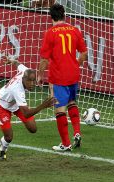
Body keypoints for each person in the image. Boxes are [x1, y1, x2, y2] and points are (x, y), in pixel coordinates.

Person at [37, 4, 88, 151]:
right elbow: (84, 53)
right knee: (72, 102)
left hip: (58, 76)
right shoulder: (74, 30)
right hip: (73, 74)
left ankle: (66, 144)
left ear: (51, 17)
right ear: (64, 15)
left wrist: (40, 75)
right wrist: (75, 64)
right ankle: (77, 132)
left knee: (60, 110)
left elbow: (45, 59)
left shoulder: (50, 33)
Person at [0, 57, 56, 160]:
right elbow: (27, 113)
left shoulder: (25, 71)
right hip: (2, 105)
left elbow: (18, 64)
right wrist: (43, 105)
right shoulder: (17, 90)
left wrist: (12, 61)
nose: (32, 84)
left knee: (33, 129)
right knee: (9, 137)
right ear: (23, 79)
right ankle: (2, 149)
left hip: (15, 104)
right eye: (29, 81)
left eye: (33, 80)